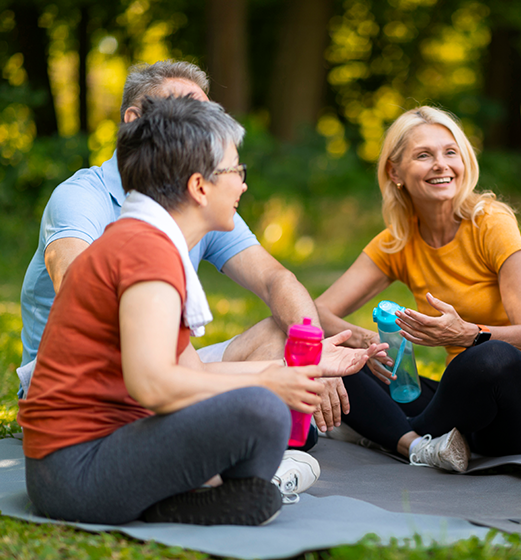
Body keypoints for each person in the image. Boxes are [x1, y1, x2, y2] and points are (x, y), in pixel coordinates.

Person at [17, 95, 379, 525]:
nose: (243, 184)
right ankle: (199, 495)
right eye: (236, 171)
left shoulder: (144, 239)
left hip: (80, 466)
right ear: (199, 186)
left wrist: (300, 366)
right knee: (261, 410)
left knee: (262, 408)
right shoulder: (146, 254)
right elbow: (152, 385)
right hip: (76, 476)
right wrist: (267, 381)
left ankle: (194, 497)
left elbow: (195, 372)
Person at [17, 60, 346, 442]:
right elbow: (81, 293)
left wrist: (313, 356)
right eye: (186, 114)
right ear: (135, 120)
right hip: (82, 381)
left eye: (205, 114)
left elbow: (276, 280)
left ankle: (250, 431)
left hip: (158, 365)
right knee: (251, 417)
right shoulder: (82, 198)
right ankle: (239, 434)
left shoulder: (195, 202)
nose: (203, 127)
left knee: (283, 331)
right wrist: (261, 380)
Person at [315, 106, 521, 472]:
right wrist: (364, 342)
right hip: (462, 416)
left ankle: (383, 431)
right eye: (424, 155)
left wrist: (467, 334)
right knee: (341, 362)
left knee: (491, 358)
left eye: (450, 152)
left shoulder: (491, 223)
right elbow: (314, 312)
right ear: (395, 172)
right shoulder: (398, 241)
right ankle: (413, 443)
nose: (441, 164)